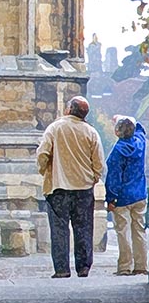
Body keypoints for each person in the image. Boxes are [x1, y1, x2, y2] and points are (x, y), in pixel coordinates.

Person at [36, 96, 105, 278]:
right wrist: (94, 177)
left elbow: (42, 154)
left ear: (68, 109)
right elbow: (99, 162)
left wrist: (45, 171)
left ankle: (62, 269)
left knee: (59, 229)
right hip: (83, 187)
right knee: (84, 228)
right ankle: (83, 267)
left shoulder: (55, 128)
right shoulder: (91, 132)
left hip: (58, 186)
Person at [105, 115, 148, 276]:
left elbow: (114, 177)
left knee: (123, 231)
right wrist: (127, 118)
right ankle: (141, 265)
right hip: (139, 194)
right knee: (139, 230)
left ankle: (125, 266)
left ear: (117, 132)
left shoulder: (117, 151)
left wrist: (111, 198)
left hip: (122, 197)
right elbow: (140, 129)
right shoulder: (140, 143)